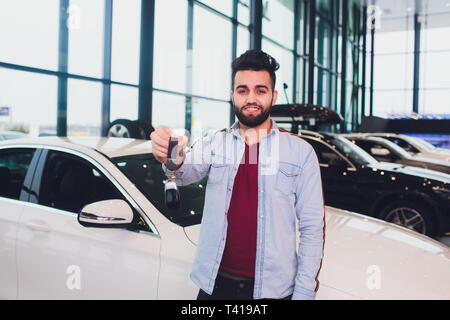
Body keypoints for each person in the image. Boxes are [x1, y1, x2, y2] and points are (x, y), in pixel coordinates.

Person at [150, 49, 325, 300]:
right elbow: (182, 174)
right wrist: (170, 154)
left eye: (260, 90)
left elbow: (312, 228)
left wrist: (304, 293)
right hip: (216, 286)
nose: (251, 98)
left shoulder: (300, 153)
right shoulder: (214, 142)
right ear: (232, 95)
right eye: (242, 90)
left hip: (274, 291)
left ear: (273, 97)